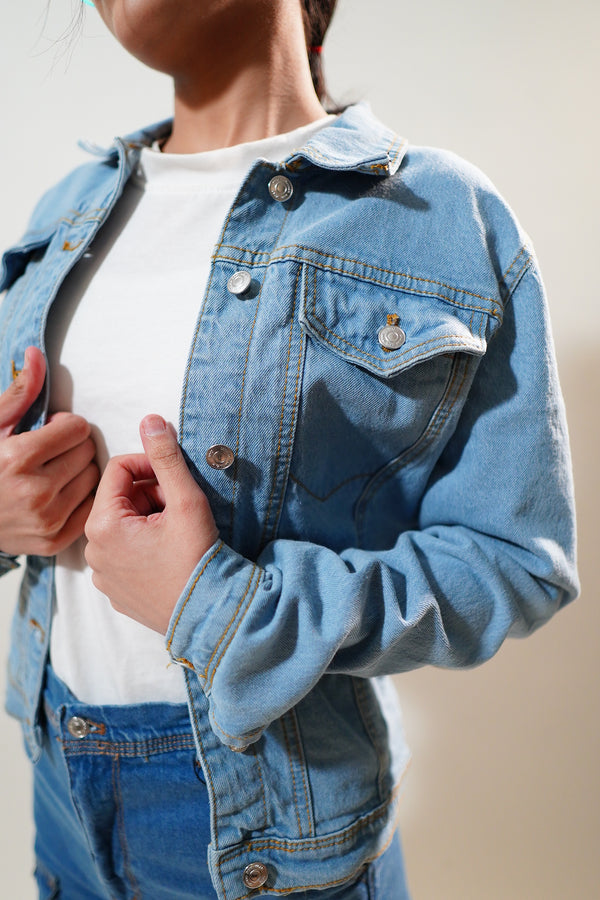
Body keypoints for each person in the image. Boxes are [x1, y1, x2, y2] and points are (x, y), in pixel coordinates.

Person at [0, 1, 579, 898]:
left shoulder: (445, 216)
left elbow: (517, 561)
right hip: (58, 782)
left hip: (276, 828)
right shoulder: (67, 211)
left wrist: (224, 607)